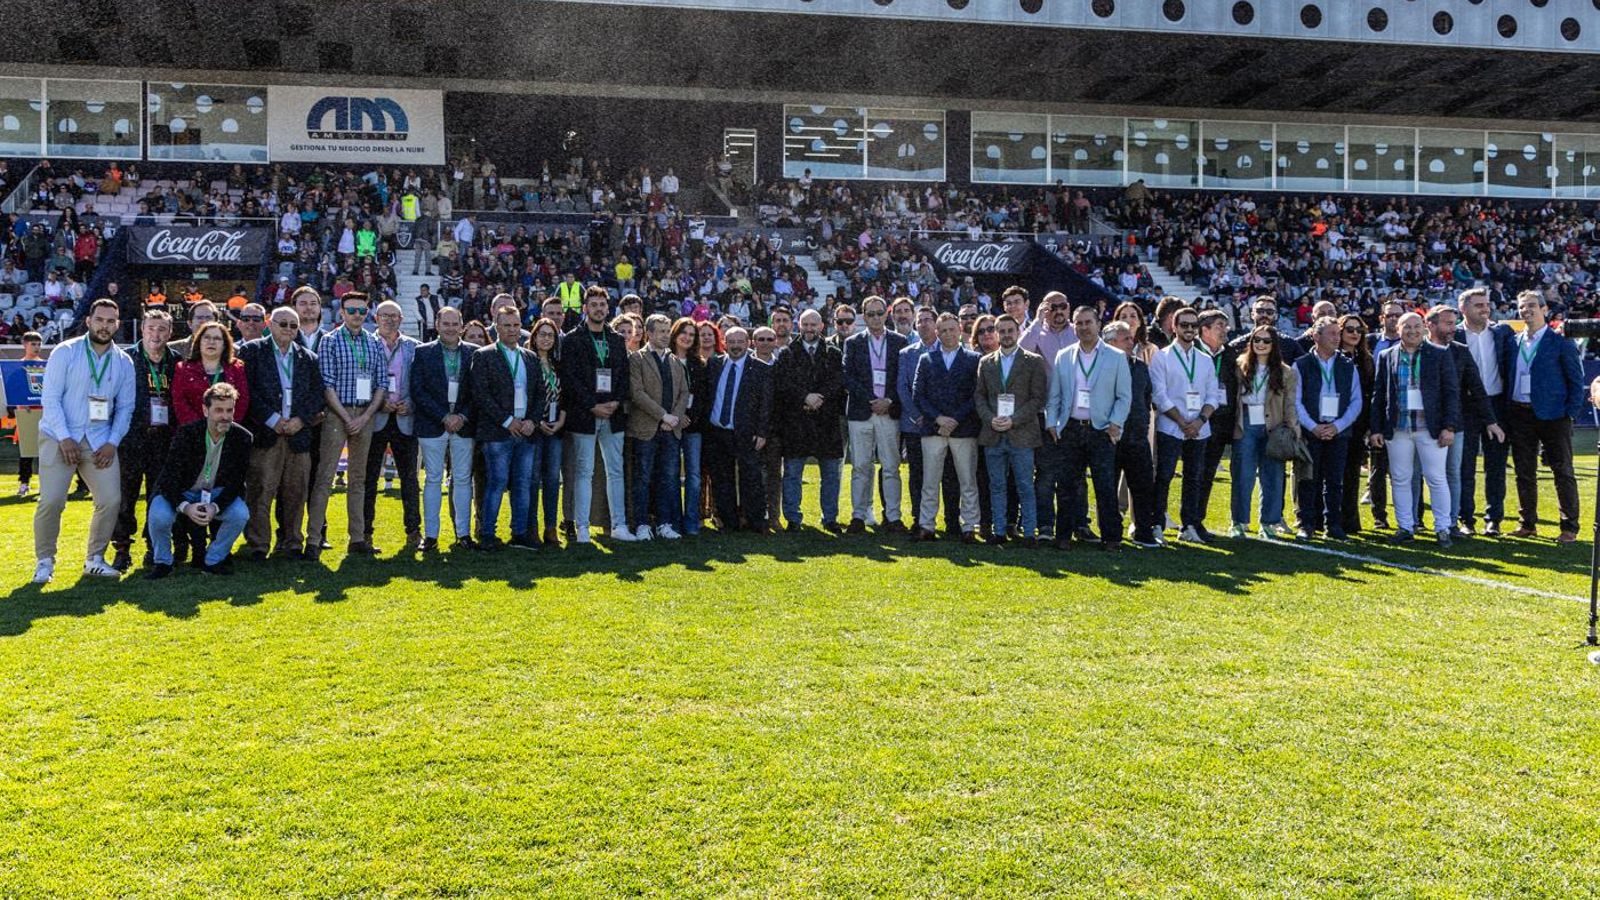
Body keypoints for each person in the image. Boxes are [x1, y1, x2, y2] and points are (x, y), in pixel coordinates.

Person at [32, 299, 133, 583]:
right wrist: (65, 438)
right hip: (59, 436)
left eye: (110, 321)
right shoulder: (66, 352)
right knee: (51, 501)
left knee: (111, 500)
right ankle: (44, 561)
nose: (105, 326)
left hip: (100, 440)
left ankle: (95, 559)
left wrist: (113, 441)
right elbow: (50, 399)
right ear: (89, 321)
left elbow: (126, 408)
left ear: (118, 324)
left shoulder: (124, 361)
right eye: (99, 320)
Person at [307, 291, 389, 560]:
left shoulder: (375, 342)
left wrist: (365, 417)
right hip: (336, 414)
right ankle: (314, 538)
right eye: (351, 311)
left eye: (361, 311)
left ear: (368, 314)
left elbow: (381, 383)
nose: (356, 315)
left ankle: (357, 538)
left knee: (359, 479)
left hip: (365, 413)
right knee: (325, 477)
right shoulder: (330, 341)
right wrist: (346, 417)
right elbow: (326, 384)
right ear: (341, 313)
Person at [239, 306, 324, 560]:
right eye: (282, 323)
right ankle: (258, 544)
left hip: (298, 435)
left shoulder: (308, 357)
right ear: (270, 323)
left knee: (296, 492)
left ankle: (292, 541)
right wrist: (272, 419)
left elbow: (316, 394)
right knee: (261, 491)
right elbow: (248, 392)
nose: (287, 329)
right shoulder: (252, 351)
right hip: (266, 433)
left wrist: (301, 419)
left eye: (293, 325)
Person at [1044, 305, 1132, 551]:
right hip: (1070, 428)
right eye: (1079, 323)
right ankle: (1063, 536)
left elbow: (1124, 396)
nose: (1083, 327)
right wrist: (1052, 422)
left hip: (1101, 429)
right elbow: (1055, 395)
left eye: (1088, 322)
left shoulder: (1115, 357)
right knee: (1067, 486)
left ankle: (1112, 538)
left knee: (1104, 486)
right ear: (1074, 326)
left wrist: (1115, 424)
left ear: (1098, 325)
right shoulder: (1064, 355)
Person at [1369, 311, 1461, 546]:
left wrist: (1449, 427)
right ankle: (1405, 527)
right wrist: (1377, 428)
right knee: (1400, 479)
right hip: (1398, 428)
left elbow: (1451, 393)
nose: (1412, 330)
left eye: (1416, 326)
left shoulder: (1440, 354)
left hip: (1430, 429)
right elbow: (1379, 395)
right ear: (1397, 329)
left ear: (1424, 328)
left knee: (1436, 479)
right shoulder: (1387, 356)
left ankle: (1442, 528)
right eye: (1406, 326)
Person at [143, 382, 252, 578]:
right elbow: (168, 479)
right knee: (159, 515)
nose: (225, 416)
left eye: (229, 410)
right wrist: (185, 507)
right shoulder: (186, 434)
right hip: (182, 491)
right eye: (218, 410)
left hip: (215, 493)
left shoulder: (242, 438)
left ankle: (214, 559)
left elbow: (236, 483)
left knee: (240, 514)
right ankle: (163, 562)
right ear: (205, 410)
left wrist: (215, 507)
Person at [1505, 290, 1584, 543]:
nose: (1526, 311)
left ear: (1544, 309)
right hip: (1520, 413)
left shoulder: (1560, 341)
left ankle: (1569, 527)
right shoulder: (1513, 342)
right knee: (1524, 472)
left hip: (1554, 416)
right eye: (1522, 307)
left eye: (1531, 306)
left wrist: (1569, 414)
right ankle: (1527, 523)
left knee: (1562, 472)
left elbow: (1575, 380)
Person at [1417, 304, 1499, 540]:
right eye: (1448, 323)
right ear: (1430, 324)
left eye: (1454, 323)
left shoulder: (1461, 351)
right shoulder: (1418, 350)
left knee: (1454, 473)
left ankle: (1451, 522)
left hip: (1455, 424)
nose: (1453, 328)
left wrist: (1491, 421)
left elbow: (1477, 388)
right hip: (1422, 423)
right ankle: (1415, 521)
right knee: (1417, 475)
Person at [562, 285, 634, 543]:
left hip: (613, 414)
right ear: (585, 308)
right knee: (585, 472)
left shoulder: (616, 340)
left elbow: (625, 376)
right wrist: (592, 404)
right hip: (584, 414)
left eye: (602, 305)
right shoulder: (571, 339)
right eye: (593, 305)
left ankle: (619, 525)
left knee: (616, 471)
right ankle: (582, 528)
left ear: (608, 308)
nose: (598, 309)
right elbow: (570, 379)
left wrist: (615, 401)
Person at [471, 303, 544, 550]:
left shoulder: (531, 357)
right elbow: (481, 394)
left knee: (522, 484)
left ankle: (520, 533)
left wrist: (532, 421)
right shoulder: (484, 355)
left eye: (516, 325)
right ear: (496, 328)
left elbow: (539, 394)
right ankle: (488, 534)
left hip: (526, 431)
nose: (513, 330)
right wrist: (507, 421)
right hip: (497, 432)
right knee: (497, 483)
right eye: (507, 326)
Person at [110, 310, 176, 572]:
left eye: (162, 329)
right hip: (132, 439)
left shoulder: (176, 362)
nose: (156, 334)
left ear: (170, 333)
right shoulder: (126, 359)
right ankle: (122, 548)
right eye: (151, 328)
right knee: (125, 497)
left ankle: (154, 546)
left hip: (164, 440)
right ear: (142, 330)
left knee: (158, 497)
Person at [1150, 307, 1222, 544]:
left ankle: (1189, 525)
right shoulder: (1162, 356)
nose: (1189, 330)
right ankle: (1157, 524)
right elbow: (1159, 395)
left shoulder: (1205, 359)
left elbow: (1213, 396)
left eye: (1193, 325)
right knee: (1164, 476)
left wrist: (1200, 421)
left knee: (1194, 477)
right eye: (1184, 325)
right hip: (1170, 427)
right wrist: (1182, 422)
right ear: (1174, 327)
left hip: (1199, 429)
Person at [974, 313, 1046, 546]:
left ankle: (1029, 532)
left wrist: (1014, 420)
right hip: (993, 433)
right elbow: (980, 397)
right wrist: (989, 419)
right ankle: (999, 530)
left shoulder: (1033, 361)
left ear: (1017, 332)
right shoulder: (985, 362)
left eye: (1010, 331)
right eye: (1001, 331)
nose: (1006, 335)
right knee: (997, 486)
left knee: (1025, 484)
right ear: (996, 333)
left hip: (1022, 433)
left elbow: (1037, 399)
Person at [412, 306, 478, 553]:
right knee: (432, 480)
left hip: (463, 425)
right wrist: (443, 416)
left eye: (455, 324)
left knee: (462, 479)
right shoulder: (423, 353)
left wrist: (461, 416)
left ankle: (463, 534)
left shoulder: (474, 353)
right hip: (433, 425)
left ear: (462, 326)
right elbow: (418, 390)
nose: (450, 328)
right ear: (437, 325)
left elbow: (478, 392)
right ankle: (430, 536)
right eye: (446, 323)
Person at [913, 313, 982, 544]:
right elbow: (918, 395)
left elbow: (976, 395)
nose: (948, 334)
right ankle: (927, 525)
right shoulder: (926, 359)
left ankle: (970, 526)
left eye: (952, 329)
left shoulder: (974, 359)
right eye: (943, 330)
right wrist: (938, 419)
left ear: (960, 328)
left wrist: (954, 420)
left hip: (963, 429)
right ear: (937, 333)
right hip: (934, 430)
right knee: (930, 481)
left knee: (967, 480)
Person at [774, 308, 845, 533]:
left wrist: (819, 398)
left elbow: (837, 382)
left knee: (831, 475)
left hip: (827, 423)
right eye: (805, 325)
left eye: (813, 325)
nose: (809, 329)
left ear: (822, 326)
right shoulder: (787, 353)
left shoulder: (833, 353)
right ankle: (793, 518)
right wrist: (805, 397)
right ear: (799, 325)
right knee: (793, 473)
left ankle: (830, 517)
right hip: (797, 422)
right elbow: (784, 384)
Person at [842, 295, 907, 534]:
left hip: (889, 412)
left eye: (880, 313)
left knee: (891, 466)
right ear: (863, 316)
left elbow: (903, 377)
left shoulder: (900, 341)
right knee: (860, 467)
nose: (876, 318)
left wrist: (888, 400)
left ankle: (893, 516)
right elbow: (847, 377)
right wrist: (871, 400)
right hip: (862, 412)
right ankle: (858, 515)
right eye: (871, 314)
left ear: (887, 313)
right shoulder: (853, 342)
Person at [1294, 317, 1363, 540]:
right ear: (1316, 337)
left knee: (1335, 481)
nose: (1337, 337)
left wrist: (1338, 426)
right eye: (1331, 333)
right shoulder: (1301, 364)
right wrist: (1313, 427)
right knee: (1308, 480)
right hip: (1310, 432)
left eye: (1337, 333)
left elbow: (1356, 401)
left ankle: (1333, 524)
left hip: (1338, 432)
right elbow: (1295, 401)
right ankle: (1307, 524)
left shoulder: (1347, 364)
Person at [1228, 325, 1298, 539]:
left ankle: (1268, 523)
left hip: (1274, 426)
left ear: (1274, 344)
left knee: (1273, 477)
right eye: (1257, 339)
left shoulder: (1286, 371)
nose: (1261, 344)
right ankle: (1238, 522)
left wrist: (1292, 428)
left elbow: (1290, 403)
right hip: (1246, 422)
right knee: (1243, 475)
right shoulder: (1239, 365)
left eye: (1266, 341)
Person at [363, 300, 422, 551]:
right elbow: (361, 379)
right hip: (375, 419)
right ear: (376, 318)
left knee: (410, 479)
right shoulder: (366, 344)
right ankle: (365, 533)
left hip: (404, 419)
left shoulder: (414, 347)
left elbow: (420, 382)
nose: (389, 320)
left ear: (401, 319)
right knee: (369, 479)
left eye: (394, 316)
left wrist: (410, 402)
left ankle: (413, 531)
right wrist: (378, 403)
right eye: (384, 315)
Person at [1455, 287, 1514, 536]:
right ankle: (1466, 519)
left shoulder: (1502, 332)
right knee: (1464, 466)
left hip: (1497, 405)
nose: (1485, 308)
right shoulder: (1454, 334)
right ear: (1463, 308)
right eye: (1478, 304)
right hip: (1465, 407)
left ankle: (1494, 519)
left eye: (1486, 304)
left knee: (1496, 467)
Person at [705, 326, 773, 533]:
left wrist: (762, 432)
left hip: (747, 432)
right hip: (718, 432)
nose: (735, 346)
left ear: (748, 343)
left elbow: (766, 404)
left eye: (739, 342)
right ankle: (729, 522)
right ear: (724, 343)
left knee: (751, 477)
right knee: (722, 479)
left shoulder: (761, 369)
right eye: (731, 342)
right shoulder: (714, 364)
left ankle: (756, 522)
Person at [627, 313, 689, 540]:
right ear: (649, 333)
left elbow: (684, 393)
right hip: (646, 429)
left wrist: (674, 417)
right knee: (642, 478)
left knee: (668, 477)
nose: (665, 335)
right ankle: (642, 524)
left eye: (667, 331)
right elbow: (637, 393)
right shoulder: (637, 359)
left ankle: (664, 523)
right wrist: (663, 415)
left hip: (671, 430)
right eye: (660, 331)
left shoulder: (675, 361)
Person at [1020, 291, 1076, 538]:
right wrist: (1036, 322)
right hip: (1044, 413)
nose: (1058, 311)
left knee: (1075, 474)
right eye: (1052, 307)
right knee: (1044, 473)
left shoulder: (1077, 331)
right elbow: (1020, 352)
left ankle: (1078, 523)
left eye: (1062, 306)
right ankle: (1045, 524)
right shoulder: (1036, 333)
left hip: (1074, 412)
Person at [1101, 321, 1159, 548]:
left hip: (1136, 437)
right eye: (1125, 338)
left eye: (1130, 338)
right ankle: (1111, 534)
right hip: (1109, 437)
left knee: (1143, 486)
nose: (1131, 342)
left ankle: (1143, 532)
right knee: (1107, 488)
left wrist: (1143, 425)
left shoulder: (1139, 367)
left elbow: (1146, 399)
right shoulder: (1101, 366)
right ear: (1110, 343)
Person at [1363, 298, 1407, 528]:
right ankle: (1379, 516)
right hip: (1376, 411)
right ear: (1381, 318)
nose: (1393, 318)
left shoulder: (1413, 343)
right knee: (1377, 469)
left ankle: (1411, 517)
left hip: (1404, 413)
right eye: (1389, 315)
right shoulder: (1369, 342)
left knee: (1407, 470)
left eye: (1397, 315)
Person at [1336, 314, 1376, 535]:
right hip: (1333, 422)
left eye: (1358, 330)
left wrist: (1370, 426)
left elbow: (1371, 394)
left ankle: (1350, 521)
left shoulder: (1366, 359)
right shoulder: (1331, 357)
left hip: (1358, 425)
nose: (1354, 333)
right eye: (1349, 329)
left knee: (1351, 475)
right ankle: (1329, 518)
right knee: (1332, 475)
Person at [529, 318, 567, 545]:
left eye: (550, 335)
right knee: (533, 479)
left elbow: (565, 396)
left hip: (555, 428)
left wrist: (561, 419)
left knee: (553, 479)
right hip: (534, 428)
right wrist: (536, 421)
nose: (546, 339)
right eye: (542, 334)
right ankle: (531, 527)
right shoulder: (527, 361)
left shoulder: (558, 364)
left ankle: (551, 528)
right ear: (534, 337)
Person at [671, 317, 708, 537]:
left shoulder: (699, 364)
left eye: (692, 334)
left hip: (693, 427)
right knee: (671, 474)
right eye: (683, 332)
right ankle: (674, 521)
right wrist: (677, 416)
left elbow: (702, 397)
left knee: (693, 475)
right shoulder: (665, 360)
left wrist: (689, 418)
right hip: (670, 424)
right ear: (675, 334)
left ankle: (692, 521)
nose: (687, 337)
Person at [13, 332, 44, 498]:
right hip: (26, 412)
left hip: (44, 413)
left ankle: (45, 485)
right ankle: (24, 483)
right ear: (24, 345)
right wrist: (20, 403)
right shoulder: (18, 367)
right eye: (33, 344)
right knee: (26, 451)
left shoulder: (46, 365)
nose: (37, 347)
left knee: (45, 451)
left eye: (39, 344)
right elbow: (15, 388)